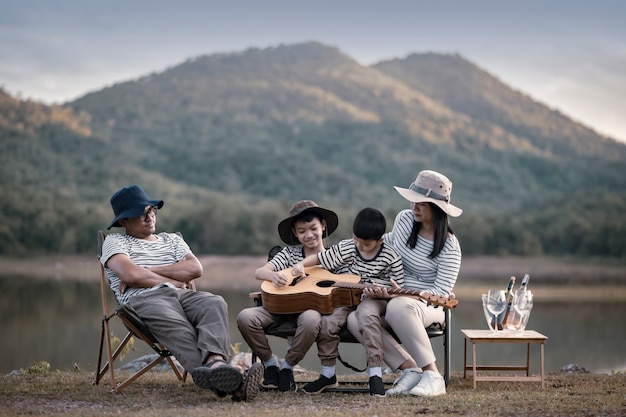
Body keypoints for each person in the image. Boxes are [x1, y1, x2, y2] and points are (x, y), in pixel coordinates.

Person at [101, 185, 262, 402]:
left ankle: (215, 363)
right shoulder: (115, 242)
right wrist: (174, 279)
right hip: (145, 301)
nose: (149, 217)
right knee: (177, 323)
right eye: (141, 214)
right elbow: (129, 274)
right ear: (123, 222)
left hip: (183, 297)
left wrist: (148, 271)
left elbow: (195, 270)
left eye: (151, 211)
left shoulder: (172, 240)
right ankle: (233, 383)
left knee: (214, 302)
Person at [355, 170, 462, 397]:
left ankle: (433, 376)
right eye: (413, 201)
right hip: (392, 294)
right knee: (355, 318)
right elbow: (385, 248)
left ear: (437, 208)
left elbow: (441, 293)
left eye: (421, 204)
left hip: (426, 305)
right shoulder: (404, 219)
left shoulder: (450, 247)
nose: (414, 207)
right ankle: (409, 369)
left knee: (399, 306)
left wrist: (399, 295)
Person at [291, 207, 405, 397]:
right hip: (345, 296)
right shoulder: (348, 246)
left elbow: (397, 289)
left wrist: (385, 295)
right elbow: (321, 257)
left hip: (374, 299)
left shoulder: (391, 257)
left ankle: (375, 374)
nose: (360, 246)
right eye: (357, 241)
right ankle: (328, 375)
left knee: (367, 317)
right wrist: (301, 265)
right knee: (327, 322)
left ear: (380, 240)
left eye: (366, 245)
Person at [236, 200, 340, 393]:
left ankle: (287, 367)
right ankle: (270, 363)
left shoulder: (335, 257)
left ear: (323, 225)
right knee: (245, 317)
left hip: (311, 312)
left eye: (313, 228)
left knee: (311, 318)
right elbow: (260, 272)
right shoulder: (288, 254)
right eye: (301, 231)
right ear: (294, 233)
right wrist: (274, 276)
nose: (309, 235)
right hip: (279, 308)